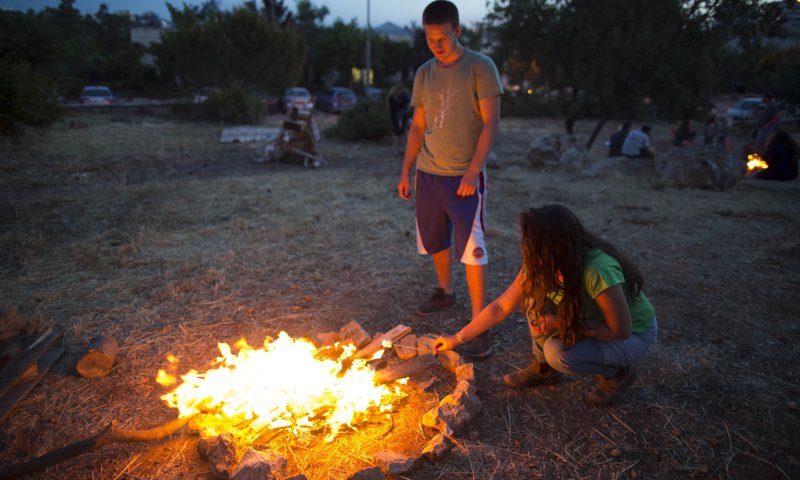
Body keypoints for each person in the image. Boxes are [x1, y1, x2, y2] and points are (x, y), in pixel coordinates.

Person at [434, 205, 658, 406]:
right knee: (533, 300)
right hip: (593, 323)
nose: (523, 246)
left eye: (527, 241)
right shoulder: (542, 264)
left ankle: (617, 374)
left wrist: (560, 323)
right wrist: (457, 338)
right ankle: (543, 370)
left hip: (633, 336)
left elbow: (620, 330)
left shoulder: (598, 271)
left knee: (559, 354)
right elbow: (501, 307)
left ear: (547, 246)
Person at [396, 0, 502, 358]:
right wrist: (407, 170)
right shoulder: (425, 73)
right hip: (428, 173)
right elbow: (418, 126)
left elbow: (491, 123)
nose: (437, 45)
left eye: (443, 38)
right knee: (434, 239)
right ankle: (445, 292)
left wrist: (473, 170)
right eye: (430, 39)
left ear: (458, 30)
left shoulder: (480, 67)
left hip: (463, 176)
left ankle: (480, 323)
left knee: (472, 249)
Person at [387, 83, 412, 155]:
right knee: (397, 133)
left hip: (402, 117)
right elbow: (394, 107)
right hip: (395, 118)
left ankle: (400, 148)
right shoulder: (392, 98)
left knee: (401, 133)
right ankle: (396, 149)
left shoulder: (402, 96)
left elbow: (407, 103)